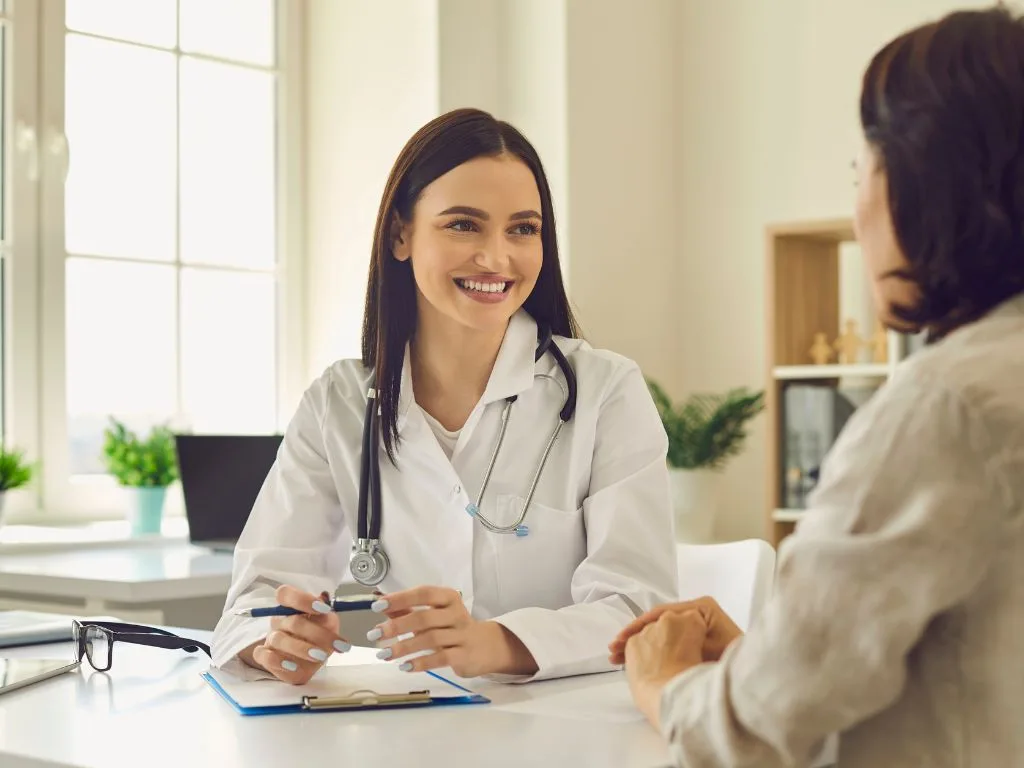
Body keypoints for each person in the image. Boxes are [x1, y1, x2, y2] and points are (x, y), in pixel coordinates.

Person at [609, 6, 1024, 767]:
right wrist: (772, 655)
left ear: (924, 184)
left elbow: (751, 733)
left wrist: (666, 683)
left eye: (860, 170)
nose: (858, 204)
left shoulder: (943, 407)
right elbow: (965, 658)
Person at [211, 108, 678, 685]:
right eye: (464, 224)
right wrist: (273, 638)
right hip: (419, 722)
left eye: (523, 229)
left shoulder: (605, 391)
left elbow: (638, 606)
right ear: (401, 234)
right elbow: (255, 596)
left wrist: (496, 643)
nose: (496, 257)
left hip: (571, 727)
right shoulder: (340, 401)